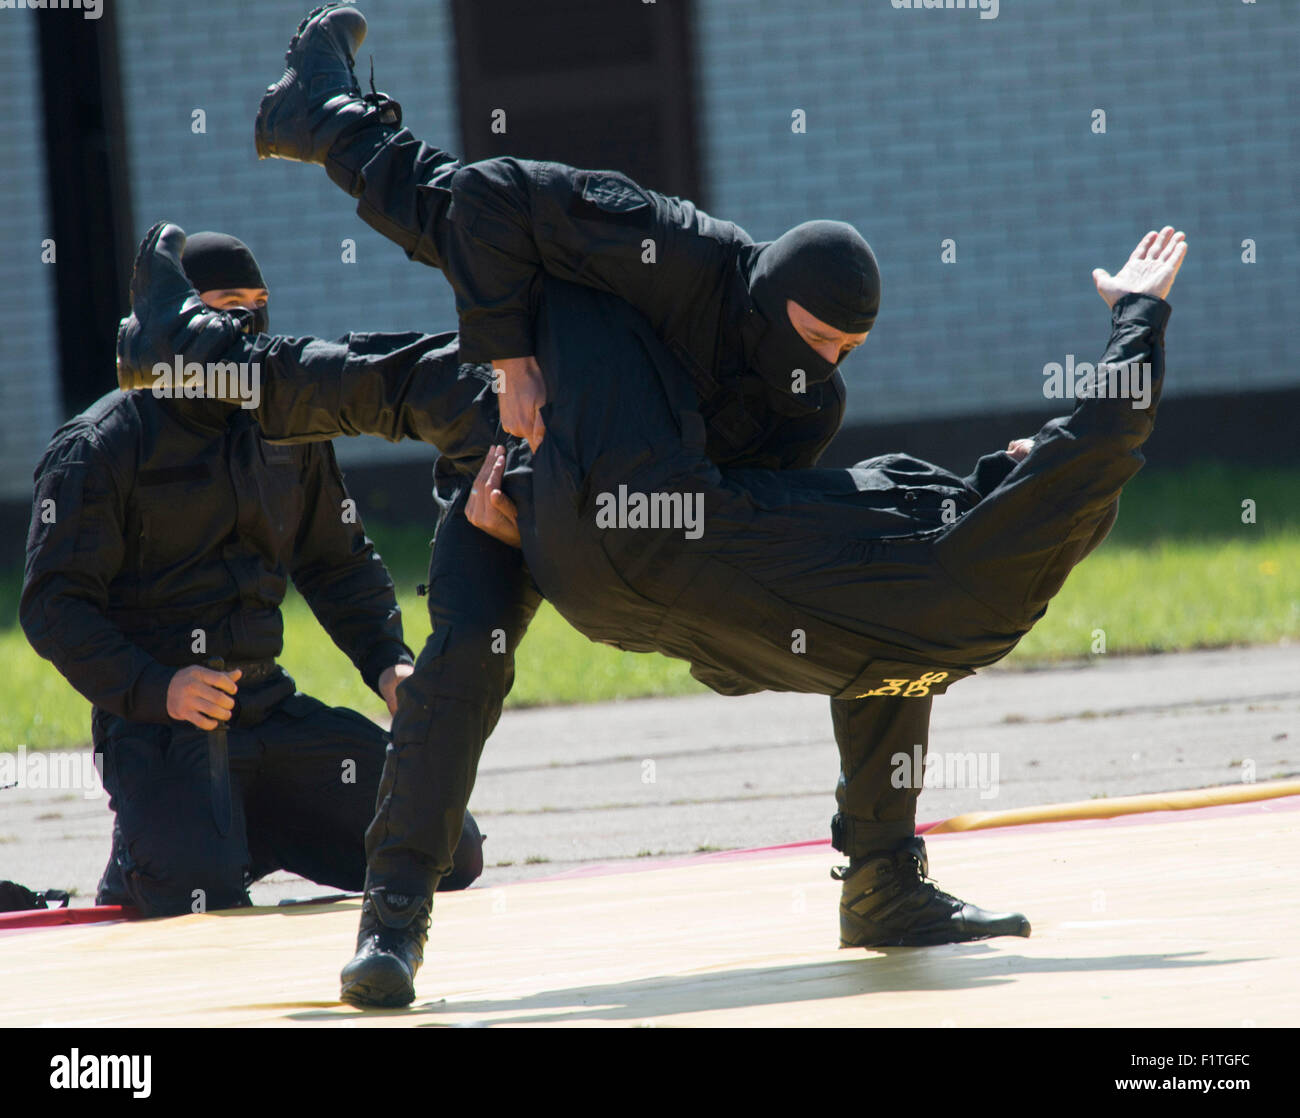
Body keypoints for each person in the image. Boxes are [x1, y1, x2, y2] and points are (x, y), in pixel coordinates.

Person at [116, 216, 1184, 1004]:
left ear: (1031, 497)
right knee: (469, 579)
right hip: (661, 543)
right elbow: (1035, 481)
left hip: (594, 516)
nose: (1017, 442)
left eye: (1028, 457)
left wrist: (1137, 312)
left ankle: (192, 355)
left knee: (436, 403)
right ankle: (880, 878)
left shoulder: (961, 543)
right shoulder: (925, 547)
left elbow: (1098, 434)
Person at [249, 5, 1049, 999]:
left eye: (846, 352)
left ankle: (885, 879)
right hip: (510, 439)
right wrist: (508, 365)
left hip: (597, 516)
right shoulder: (676, 248)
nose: (825, 364)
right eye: (815, 335)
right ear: (767, 291)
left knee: (877, 590)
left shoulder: (806, 397)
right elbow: (489, 199)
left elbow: (760, 529)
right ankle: (392, 927)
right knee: (460, 671)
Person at [22, 232, 484, 918]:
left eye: (256, 307)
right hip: (161, 729)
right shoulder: (101, 446)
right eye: (225, 307)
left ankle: (234, 831)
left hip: (268, 711)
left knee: (448, 846)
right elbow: (54, 606)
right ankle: (164, 856)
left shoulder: (288, 428)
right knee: (194, 896)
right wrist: (161, 688)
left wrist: (391, 666)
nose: (245, 325)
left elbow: (338, 562)